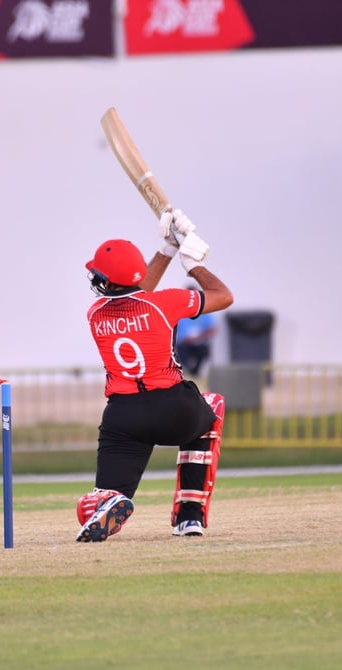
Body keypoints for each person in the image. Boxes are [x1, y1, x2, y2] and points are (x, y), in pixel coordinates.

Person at [76, 208, 234, 542]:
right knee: (210, 408)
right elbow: (224, 297)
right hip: (174, 408)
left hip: (122, 417)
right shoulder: (165, 304)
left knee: (102, 497)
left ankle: (108, 501)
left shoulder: (95, 314)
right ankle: (189, 517)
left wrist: (166, 250)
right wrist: (193, 264)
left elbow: (133, 292)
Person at [175, 288, 217, 377]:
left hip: (200, 344)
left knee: (203, 353)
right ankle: (186, 373)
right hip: (183, 344)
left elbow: (212, 329)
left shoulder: (205, 312)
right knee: (180, 354)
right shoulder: (179, 312)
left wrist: (199, 337)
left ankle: (197, 374)